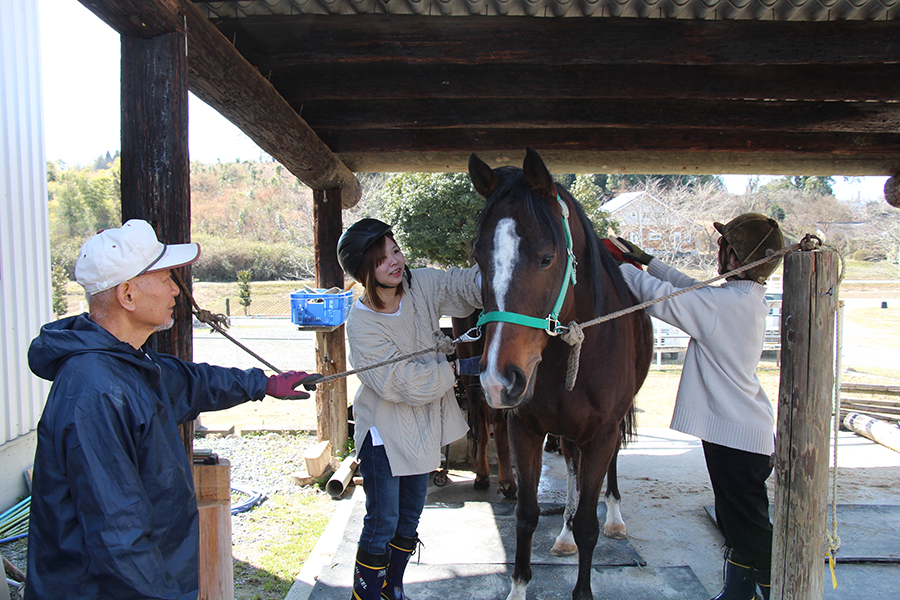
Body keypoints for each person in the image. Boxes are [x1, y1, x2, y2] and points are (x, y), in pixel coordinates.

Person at [26, 219, 321, 600]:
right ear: (127, 294)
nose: (177, 291)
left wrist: (262, 384)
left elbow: (192, 382)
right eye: (165, 278)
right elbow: (118, 536)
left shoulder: (127, 363)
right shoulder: (95, 390)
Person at [612, 214, 784, 600]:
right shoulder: (738, 299)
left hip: (736, 434)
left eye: (725, 247)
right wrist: (648, 260)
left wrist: (617, 267)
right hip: (740, 431)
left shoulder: (727, 305)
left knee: (750, 531)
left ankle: (779, 590)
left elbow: (663, 300)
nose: (718, 252)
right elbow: (691, 288)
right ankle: (738, 593)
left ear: (737, 259)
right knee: (736, 522)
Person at [337, 219, 481, 600]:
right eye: (382, 259)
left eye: (395, 250)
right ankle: (364, 596)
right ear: (365, 271)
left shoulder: (420, 285)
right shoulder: (362, 323)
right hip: (383, 430)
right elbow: (403, 383)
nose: (395, 262)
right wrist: (451, 370)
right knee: (382, 521)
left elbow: (459, 286)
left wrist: (501, 271)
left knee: (410, 518)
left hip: (422, 427)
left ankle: (392, 587)